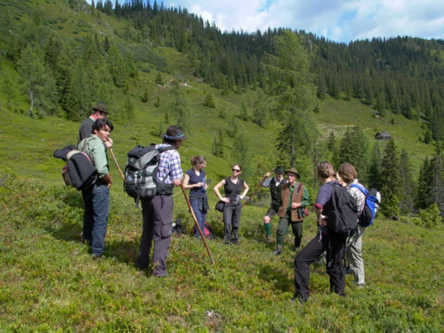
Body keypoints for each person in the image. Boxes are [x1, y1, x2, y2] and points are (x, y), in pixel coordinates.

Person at [293, 161, 348, 302]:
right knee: (335, 264)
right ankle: (338, 297)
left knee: (301, 260)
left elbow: (318, 204)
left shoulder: (326, 187)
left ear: (319, 174)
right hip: (342, 232)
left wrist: (320, 217)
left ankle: (302, 296)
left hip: (328, 233)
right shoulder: (341, 186)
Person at [135, 125, 185, 277]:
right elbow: (177, 181)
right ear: (177, 141)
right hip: (162, 198)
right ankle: (158, 270)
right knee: (162, 234)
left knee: (147, 230)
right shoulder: (173, 154)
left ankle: (141, 263)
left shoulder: (153, 149)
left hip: (146, 195)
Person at [78, 118, 114, 259]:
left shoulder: (83, 142)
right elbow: (101, 169)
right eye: (105, 130)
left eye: (108, 131)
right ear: (95, 130)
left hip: (85, 183)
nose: (107, 134)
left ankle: (87, 239)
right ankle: (97, 251)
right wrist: (109, 180)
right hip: (98, 184)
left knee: (89, 212)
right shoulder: (98, 145)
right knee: (100, 217)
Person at [337, 163, 367, 288]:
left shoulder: (352, 190)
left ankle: (360, 281)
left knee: (354, 251)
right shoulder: (360, 186)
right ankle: (351, 271)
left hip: (355, 225)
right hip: (359, 224)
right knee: (351, 249)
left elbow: (351, 210)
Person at [273, 168, 310, 255]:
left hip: (296, 214)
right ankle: (279, 249)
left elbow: (307, 201)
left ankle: (296, 247)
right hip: (285, 213)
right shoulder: (284, 187)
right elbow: (278, 199)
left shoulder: (302, 187)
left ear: (295, 177)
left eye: (291, 175)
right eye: (288, 175)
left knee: (298, 233)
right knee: (280, 230)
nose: (289, 177)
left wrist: (298, 204)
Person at [214, 164, 249, 244]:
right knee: (227, 222)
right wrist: (221, 198)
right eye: (233, 169)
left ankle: (235, 238)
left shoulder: (241, 181)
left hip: (238, 204)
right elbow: (215, 188)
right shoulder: (226, 180)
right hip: (228, 204)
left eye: (237, 170)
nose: (234, 172)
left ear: (240, 172)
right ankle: (227, 239)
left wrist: (242, 196)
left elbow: (247, 187)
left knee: (236, 222)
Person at [182, 155, 209, 238]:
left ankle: (201, 235)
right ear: (198, 163)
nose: (205, 165)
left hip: (203, 196)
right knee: (198, 217)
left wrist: (205, 186)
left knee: (203, 217)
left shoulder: (203, 173)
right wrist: (195, 185)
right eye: (203, 164)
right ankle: (197, 237)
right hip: (194, 197)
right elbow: (184, 186)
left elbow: (205, 182)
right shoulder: (189, 173)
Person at [260, 166, 285, 242]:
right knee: (266, 219)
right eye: (278, 173)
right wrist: (264, 177)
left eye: (281, 174)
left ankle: (282, 239)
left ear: (283, 174)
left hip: (283, 206)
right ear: (275, 173)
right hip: (274, 205)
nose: (279, 175)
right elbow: (262, 184)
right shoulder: (271, 180)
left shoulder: (286, 182)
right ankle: (268, 236)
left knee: (282, 225)